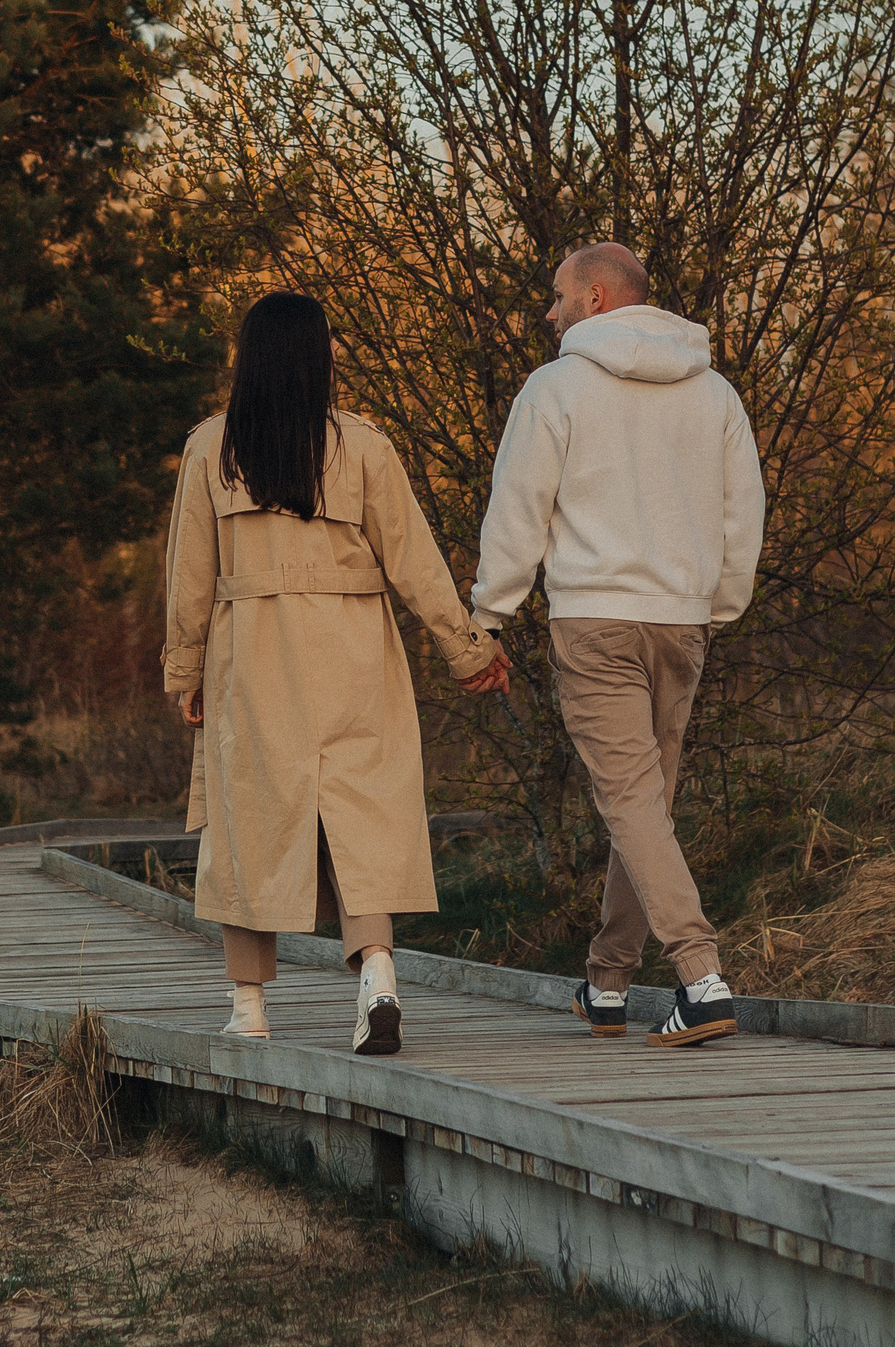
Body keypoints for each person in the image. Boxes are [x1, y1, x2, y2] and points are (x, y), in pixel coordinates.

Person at [162, 292, 506, 1054]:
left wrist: (184, 669)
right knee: (361, 815)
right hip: (355, 655)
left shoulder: (210, 449)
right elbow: (414, 561)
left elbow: (190, 575)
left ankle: (248, 1005)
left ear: (247, 359)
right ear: (321, 358)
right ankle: (377, 974)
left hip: (254, 658)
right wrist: (467, 647)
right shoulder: (364, 448)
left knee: (249, 816)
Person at [472, 243, 764, 1048]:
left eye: (557, 295)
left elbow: (519, 506)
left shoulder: (556, 388)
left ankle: (701, 979)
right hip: (682, 619)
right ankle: (607, 984)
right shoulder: (715, 394)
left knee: (633, 803)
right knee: (647, 806)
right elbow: (745, 509)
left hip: (596, 621)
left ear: (597, 299)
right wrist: (721, 601)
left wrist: (490, 612)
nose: (548, 310)